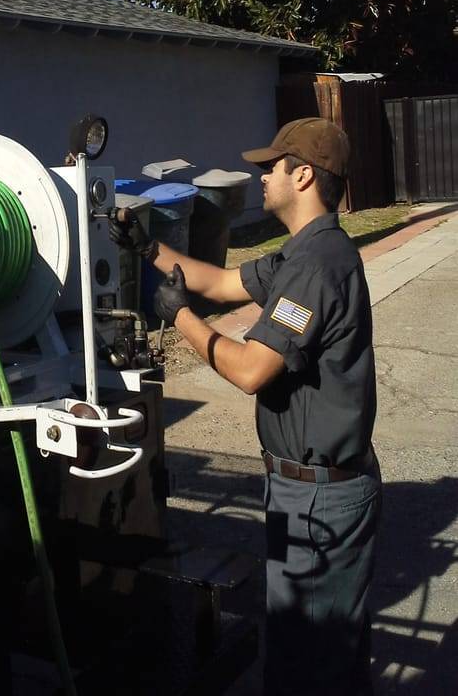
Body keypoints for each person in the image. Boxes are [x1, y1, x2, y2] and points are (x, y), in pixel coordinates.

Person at [110, 117, 380, 696]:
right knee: (309, 651)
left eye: (271, 166)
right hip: (301, 491)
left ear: (303, 174)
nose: (261, 176)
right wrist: (149, 248)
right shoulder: (303, 253)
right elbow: (223, 282)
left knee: (312, 665)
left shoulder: (316, 267)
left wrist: (179, 318)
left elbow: (253, 369)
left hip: (320, 500)